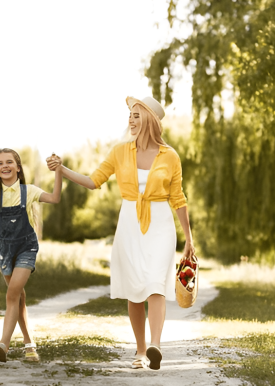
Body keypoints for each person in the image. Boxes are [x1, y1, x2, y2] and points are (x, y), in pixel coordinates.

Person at [46, 96, 195, 370]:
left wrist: (189, 237)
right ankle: (140, 351)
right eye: (130, 115)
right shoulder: (120, 152)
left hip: (160, 222)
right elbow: (93, 181)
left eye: (137, 115)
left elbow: (178, 198)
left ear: (150, 119)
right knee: (134, 289)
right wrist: (63, 170)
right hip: (129, 223)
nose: (131, 120)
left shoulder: (170, 156)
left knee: (155, 284)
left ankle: (155, 346)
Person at [0, 148, 62, 363]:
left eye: (9, 162)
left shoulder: (29, 190)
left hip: (26, 247)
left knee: (12, 294)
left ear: (17, 166)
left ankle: (3, 345)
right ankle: (29, 344)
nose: (4, 166)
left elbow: (54, 198)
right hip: (5, 250)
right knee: (19, 298)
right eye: (0, 164)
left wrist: (59, 171)